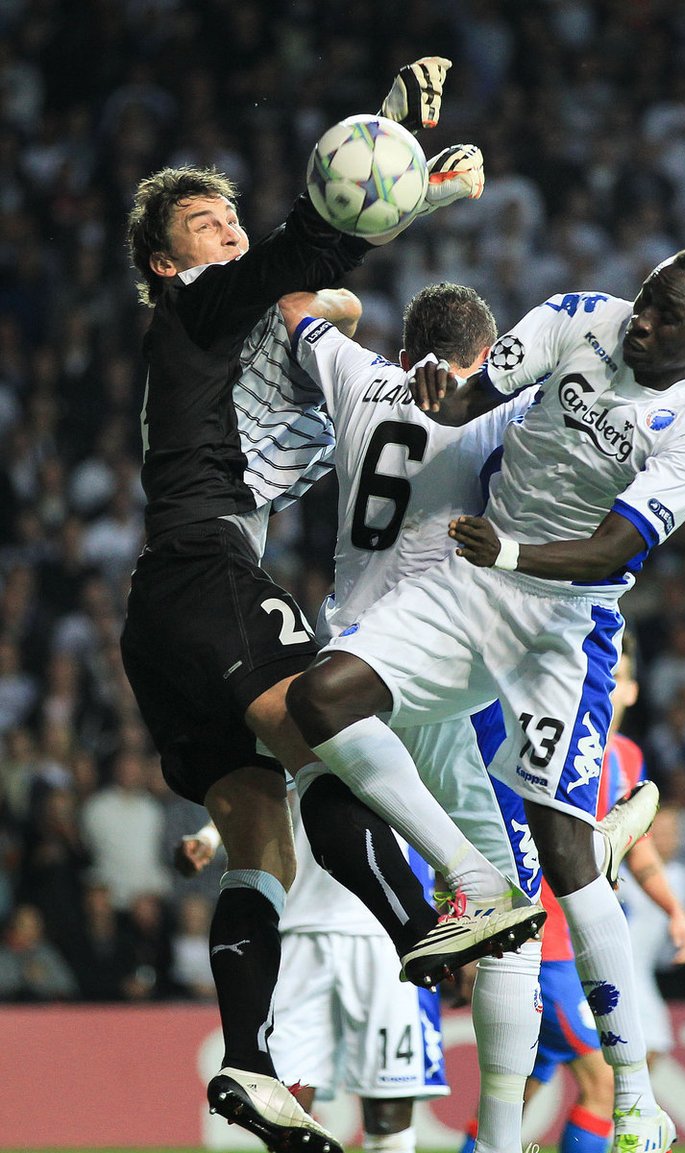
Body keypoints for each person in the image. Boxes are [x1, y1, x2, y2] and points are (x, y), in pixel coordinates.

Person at [282, 246, 685, 1150]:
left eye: (667, 317)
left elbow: (611, 551)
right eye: (644, 301)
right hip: (467, 583)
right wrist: (451, 394)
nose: (641, 320)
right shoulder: (579, 316)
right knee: (321, 700)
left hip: (564, 620)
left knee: (565, 858)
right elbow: (490, 394)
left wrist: (512, 553)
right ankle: (473, 890)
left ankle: (637, 1093)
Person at [118, 57, 519, 1153]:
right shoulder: (196, 309)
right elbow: (305, 257)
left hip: (164, 603)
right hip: (208, 570)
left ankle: (250, 1064)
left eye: (228, 217)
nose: (228, 233)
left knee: (259, 830)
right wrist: (392, 137)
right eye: (206, 223)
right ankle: (438, 907)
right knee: (340, 727)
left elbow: (310, 278)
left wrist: (413, 185)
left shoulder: (238, 337)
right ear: (168, 260)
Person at [461, 630, 685, 1153]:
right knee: (605, 1083)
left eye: (617, 680)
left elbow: (635, 849)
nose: (605, 688)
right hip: (550, 945)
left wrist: (674, 910)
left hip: (575, 943)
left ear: (633, 692)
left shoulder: (628, 757)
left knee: (514, 1093)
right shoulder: (545, 741)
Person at [177, 792, 449, 1153]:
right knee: (287, 1107)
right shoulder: (296, 732)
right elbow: (263, 785)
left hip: (386, 933)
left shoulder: (405, 736)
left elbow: (440, 800)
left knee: (389, 1109)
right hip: (299, 930)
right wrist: (212, 835)